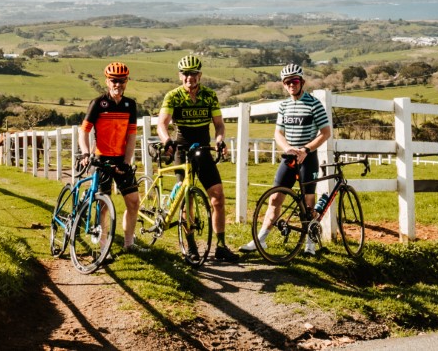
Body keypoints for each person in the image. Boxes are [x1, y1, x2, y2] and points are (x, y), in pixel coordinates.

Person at [240, 63, 331, 256]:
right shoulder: (284, 106)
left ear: (302, 82)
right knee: (275, 198)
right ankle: (261, 240)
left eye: (295, 81)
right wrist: (287, 148)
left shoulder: (314, 104)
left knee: (308, 203)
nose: (292, 84)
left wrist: (306, 149)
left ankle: (310, 244)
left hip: (308, 158)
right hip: (290, 157)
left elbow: (325, 133)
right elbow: (278, 133)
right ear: (283, 84)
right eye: (288, 82)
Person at [157, 55, 240, 263]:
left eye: (193, 74)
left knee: (218, 196)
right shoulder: (172, 96)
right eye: (185, 74)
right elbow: (162, 124)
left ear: (199, 75)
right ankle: (191, 246)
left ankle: (221, 246)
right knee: (188, 200)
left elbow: (219, 124)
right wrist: (167, 140)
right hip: (182, 150)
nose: (189, 78)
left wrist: (220, 140)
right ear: (180, 75)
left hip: (202, 149)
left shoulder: (210, 96)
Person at [79, 62, 142, 259]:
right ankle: (103, 247)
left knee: (133, 202)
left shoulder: (130, 105)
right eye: (114, 80)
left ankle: (129, 243)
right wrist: (85, 153)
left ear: (126, 82)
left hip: (121, 160)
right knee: (103, 205)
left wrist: (127, 160)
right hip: (102, 159)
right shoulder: (98, 103)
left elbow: (131, 136)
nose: (118, 84)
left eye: (122, 81)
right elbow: (84, 131)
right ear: (107, 81)